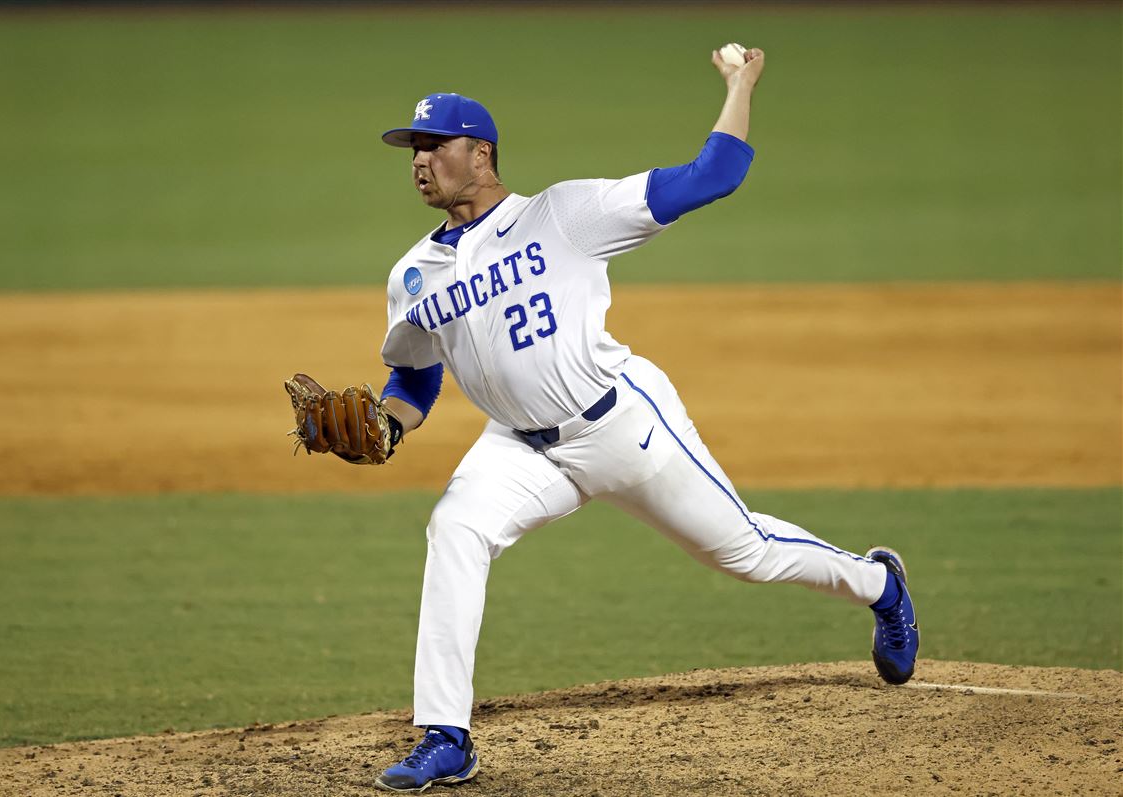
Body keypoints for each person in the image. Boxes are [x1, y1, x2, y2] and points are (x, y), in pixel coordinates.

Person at [369, 47, 919, 794]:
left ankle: (878, 584)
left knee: (743, 551)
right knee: (456, 529)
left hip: (620, 424)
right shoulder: (411, 273)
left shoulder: (563, 214)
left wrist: (740, 84)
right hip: (518, 449)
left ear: (482, 153)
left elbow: (713, 176)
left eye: (433, 145)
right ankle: (445, 735)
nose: (419, 159)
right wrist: (390, 424)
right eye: (413, 148)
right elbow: (415, 372)